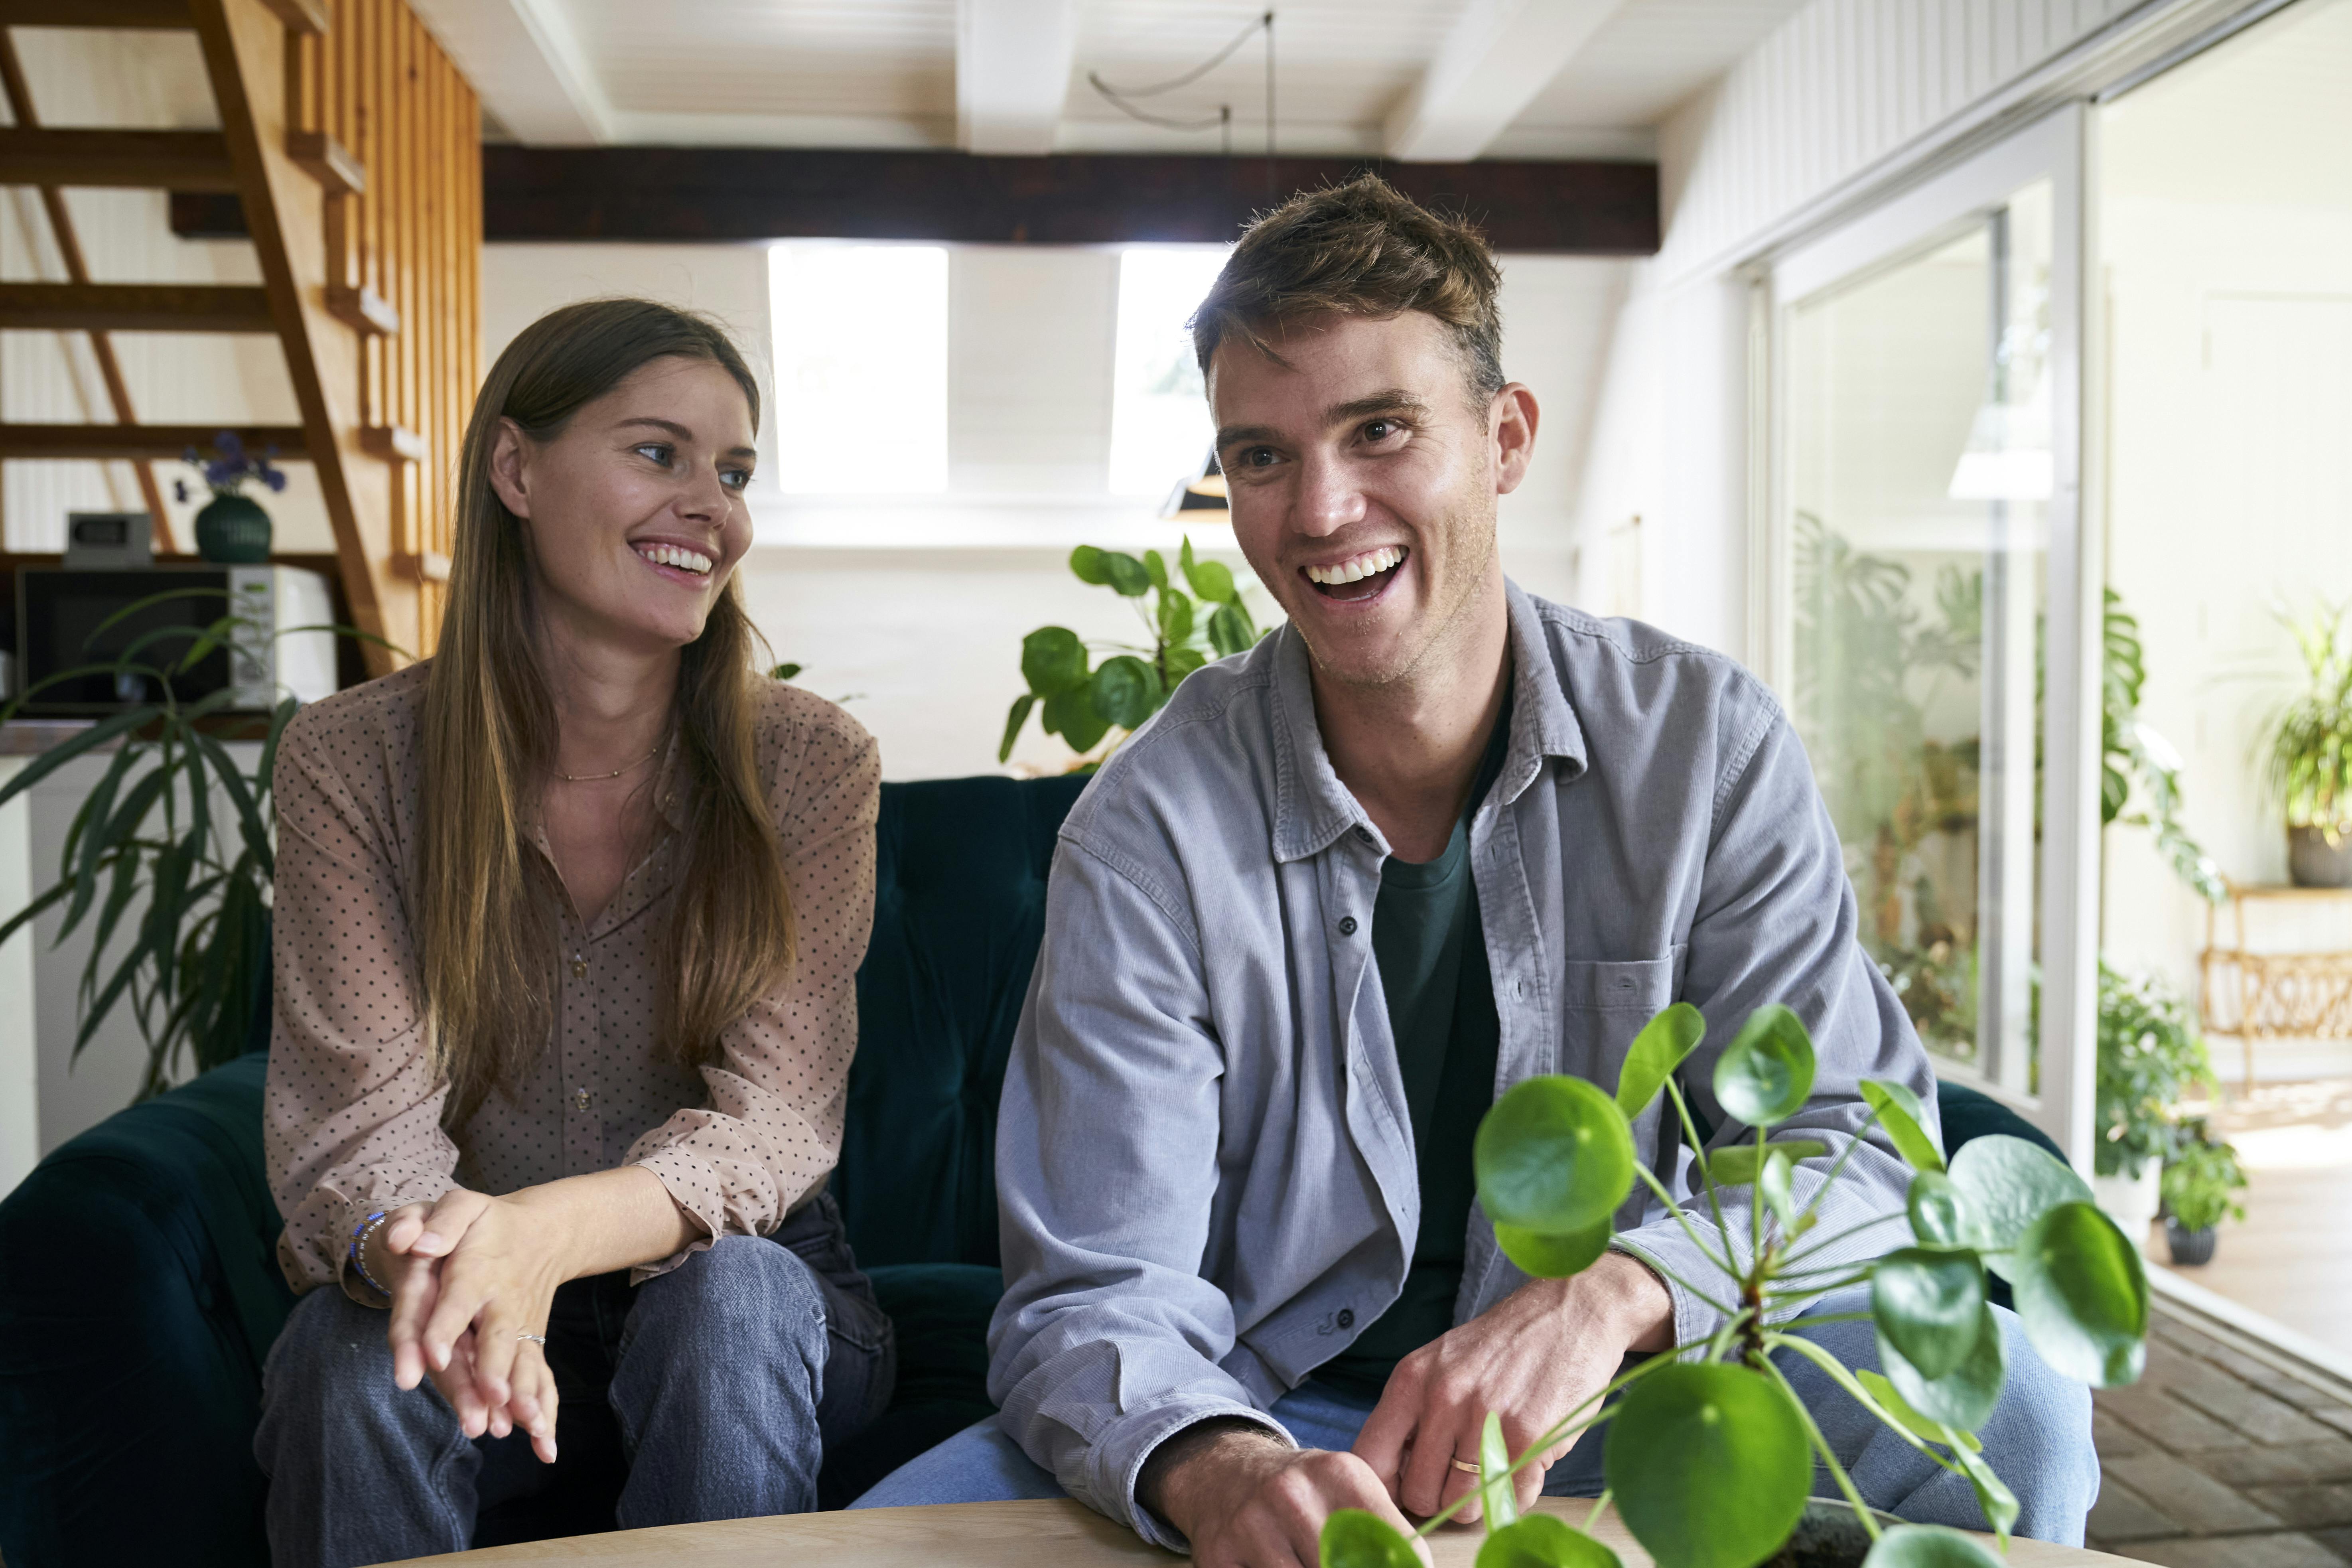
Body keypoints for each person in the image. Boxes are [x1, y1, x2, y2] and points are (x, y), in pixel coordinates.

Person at [851, 177, 2096, 1561]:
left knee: (2023, 1413)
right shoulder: (1145, 827)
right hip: (1273, 1410)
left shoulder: (1707, 748)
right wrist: (1216, 1466)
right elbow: (1097, 1288)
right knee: (887, 1534)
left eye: (1377, 430)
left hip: (1641, 1388)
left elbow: (1848, 1148)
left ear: (1504, 440)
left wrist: (1614, 1294)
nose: (1320, 511)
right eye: (1259, 455)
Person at [254, 298, 891, 1568]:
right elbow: (358, 1131)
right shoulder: (351, 760)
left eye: (734, 470)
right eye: (658, 452)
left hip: (743, 1301)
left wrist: (540, 1233)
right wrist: (451, 1270)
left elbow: (773, 1122)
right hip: (452, 1272)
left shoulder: (810, 763)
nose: (714, 506)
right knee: (348, 1355)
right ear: (515, 470)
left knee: (734, 1301)